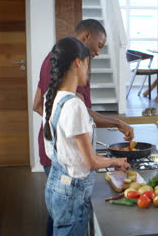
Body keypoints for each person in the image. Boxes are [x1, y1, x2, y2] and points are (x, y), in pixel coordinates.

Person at [33, 19, 133, 235]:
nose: (97, 54)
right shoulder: (73, 105)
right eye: (99, 46)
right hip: (72, 187)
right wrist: (115, 160)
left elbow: (40, 105)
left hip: (57, 183)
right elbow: (90, 162)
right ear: (79, 62)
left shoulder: (55, 97)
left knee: (59, 226)